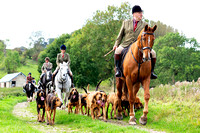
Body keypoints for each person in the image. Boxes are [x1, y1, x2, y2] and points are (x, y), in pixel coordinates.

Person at [113, 5, 157, 79]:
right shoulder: (126, 23)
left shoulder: (144, 24)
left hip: (138, 46)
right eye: (139, 13)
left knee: (153, 53)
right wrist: (116, 44)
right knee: (117, 51)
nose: (141, 14)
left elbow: (148, 36)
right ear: (134, 14)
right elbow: (120, 35)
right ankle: (118, 70)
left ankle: (151, 72)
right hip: (126, 44)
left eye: (141, 13)